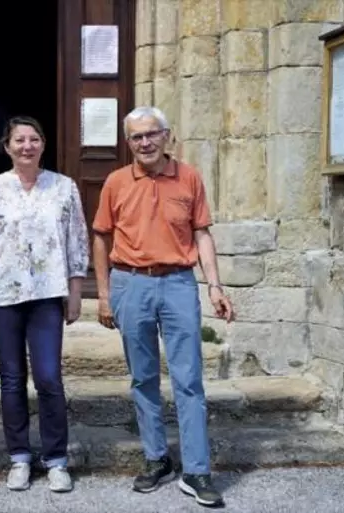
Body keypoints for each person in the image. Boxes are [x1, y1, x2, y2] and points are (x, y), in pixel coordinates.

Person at [92, 106, 234, 508]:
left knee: (189, 379)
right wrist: (103, 295)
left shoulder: (188, 176)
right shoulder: (116, 182)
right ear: (128, 143)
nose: (145, 142)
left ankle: (197, 470)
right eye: (136, 137)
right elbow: (101, 238)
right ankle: (157, 459)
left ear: (167, 135)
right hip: (130, 284)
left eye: (151, 134)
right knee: (143, 377)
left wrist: (215, 287)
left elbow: (202, 234)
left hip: (177, 284)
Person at [0, 116, 89, 493]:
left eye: (34, 139)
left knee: (49, 378)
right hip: (3, 296)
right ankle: (19, 456)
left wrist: (76, 291)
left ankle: (56, 459)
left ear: (43, 145)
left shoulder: (63, 188)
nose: (27, 146)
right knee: (12, 380)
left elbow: (76, 241)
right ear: (7, 146)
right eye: (19, 140)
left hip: (47, 295)